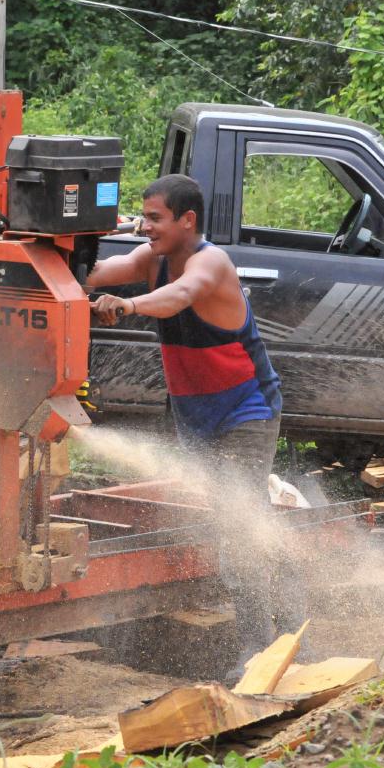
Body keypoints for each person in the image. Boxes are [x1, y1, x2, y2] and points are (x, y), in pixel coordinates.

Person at [86, 173, 293, 670]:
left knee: (238, 528)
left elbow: (181, 296)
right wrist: (55, 268)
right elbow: (101, 270)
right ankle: (287, 617)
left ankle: (259, 651)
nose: (145, 226)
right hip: (194, 416)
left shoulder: (210, 263)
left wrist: (128, 304)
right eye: (143, 216)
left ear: (187, 220)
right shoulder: (152, 258)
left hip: (245, 412)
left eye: (155, 218)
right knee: (240, 521)